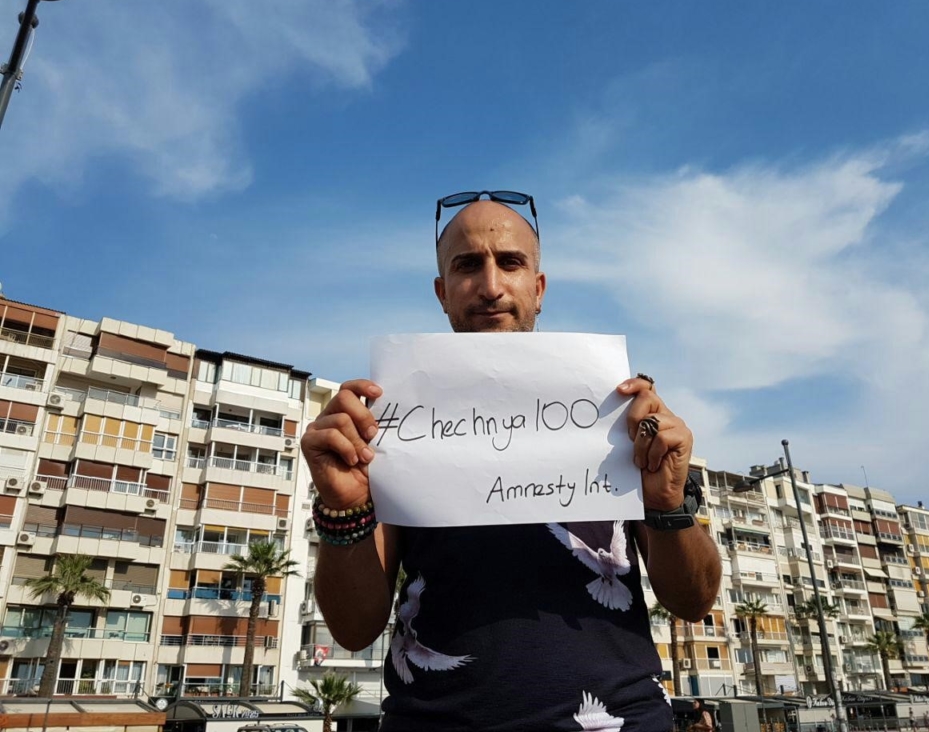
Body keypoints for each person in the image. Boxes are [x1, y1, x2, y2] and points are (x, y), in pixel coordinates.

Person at [302, 194, 723, 730]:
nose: (492, 285)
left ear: (539, 287)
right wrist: (344, 509)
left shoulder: (616, 415)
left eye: (511, 262)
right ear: (443, 293)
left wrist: (667, 503)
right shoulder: (392, 426)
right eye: (467, 265)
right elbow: (353, 628)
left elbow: (693, 600)